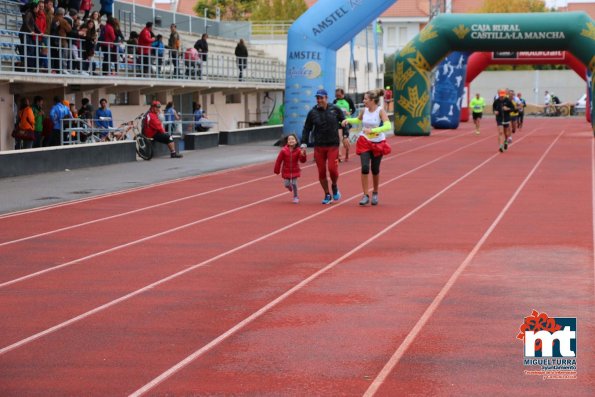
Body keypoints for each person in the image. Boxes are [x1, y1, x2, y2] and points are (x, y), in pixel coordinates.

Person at [342, 88, 392, 206]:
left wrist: (373, 130)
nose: (363, 101)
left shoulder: (380, 111)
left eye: (365, 99)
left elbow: (388, 125)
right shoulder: (364, 111)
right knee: (365, 167)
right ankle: (365, 194)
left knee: (375, 169)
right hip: (364, 141)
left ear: (372, 100)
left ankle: (375, 192)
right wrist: (347, 120)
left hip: (377, 142)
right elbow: (358, 120)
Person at [300, 88, 347, 204]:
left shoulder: (335, 109)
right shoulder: (312, 112)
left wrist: (345, 136)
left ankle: (334, 185)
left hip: (333, 145)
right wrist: (304, 144)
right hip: (319, 146)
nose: (319, 100)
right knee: (321, 172)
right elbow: (307, 129)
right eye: (317, 98)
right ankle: (327, 194)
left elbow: (344, 122)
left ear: (326, 98)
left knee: (332, 169)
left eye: (321, 98)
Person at [274, 133, 307, 203]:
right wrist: (277, 170)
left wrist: (303, 154)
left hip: (295, 170)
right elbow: (278, 160)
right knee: (286, 184)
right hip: (286, 170)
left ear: (296, 141)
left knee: (294, 183)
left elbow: (302, 161)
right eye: (289, 139)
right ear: (287, 142)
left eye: (293, 139)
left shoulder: (298, 150)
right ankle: (289, 187)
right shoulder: (283, 151)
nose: (291, 140)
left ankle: (296, 196)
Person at [333, 88, 356, 162]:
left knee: (345, 139)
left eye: (339, 95)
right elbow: (332, 110)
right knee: (339, 139)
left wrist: (349, 112)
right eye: (336, 95)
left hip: (347, 121)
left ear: (343, 94)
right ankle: (339, 156)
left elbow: (353, 109)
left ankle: (347, 153)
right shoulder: (335, 101)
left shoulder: (348, 99)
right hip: (338, 122)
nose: (337, 97)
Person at [493, 89, 514, 153]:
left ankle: (505, 141)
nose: (501, 97)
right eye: (500, 95)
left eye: (503, 96)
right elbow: (493, 108)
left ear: (504, 95)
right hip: (499, 119)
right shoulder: (496, 101)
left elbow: (513, 109)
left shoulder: (508, 101)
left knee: (506, 133)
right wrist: (495, 111)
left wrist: (507, 109)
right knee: (500, 132)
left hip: (506, 119)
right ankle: (501, 146)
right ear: (499, 95)